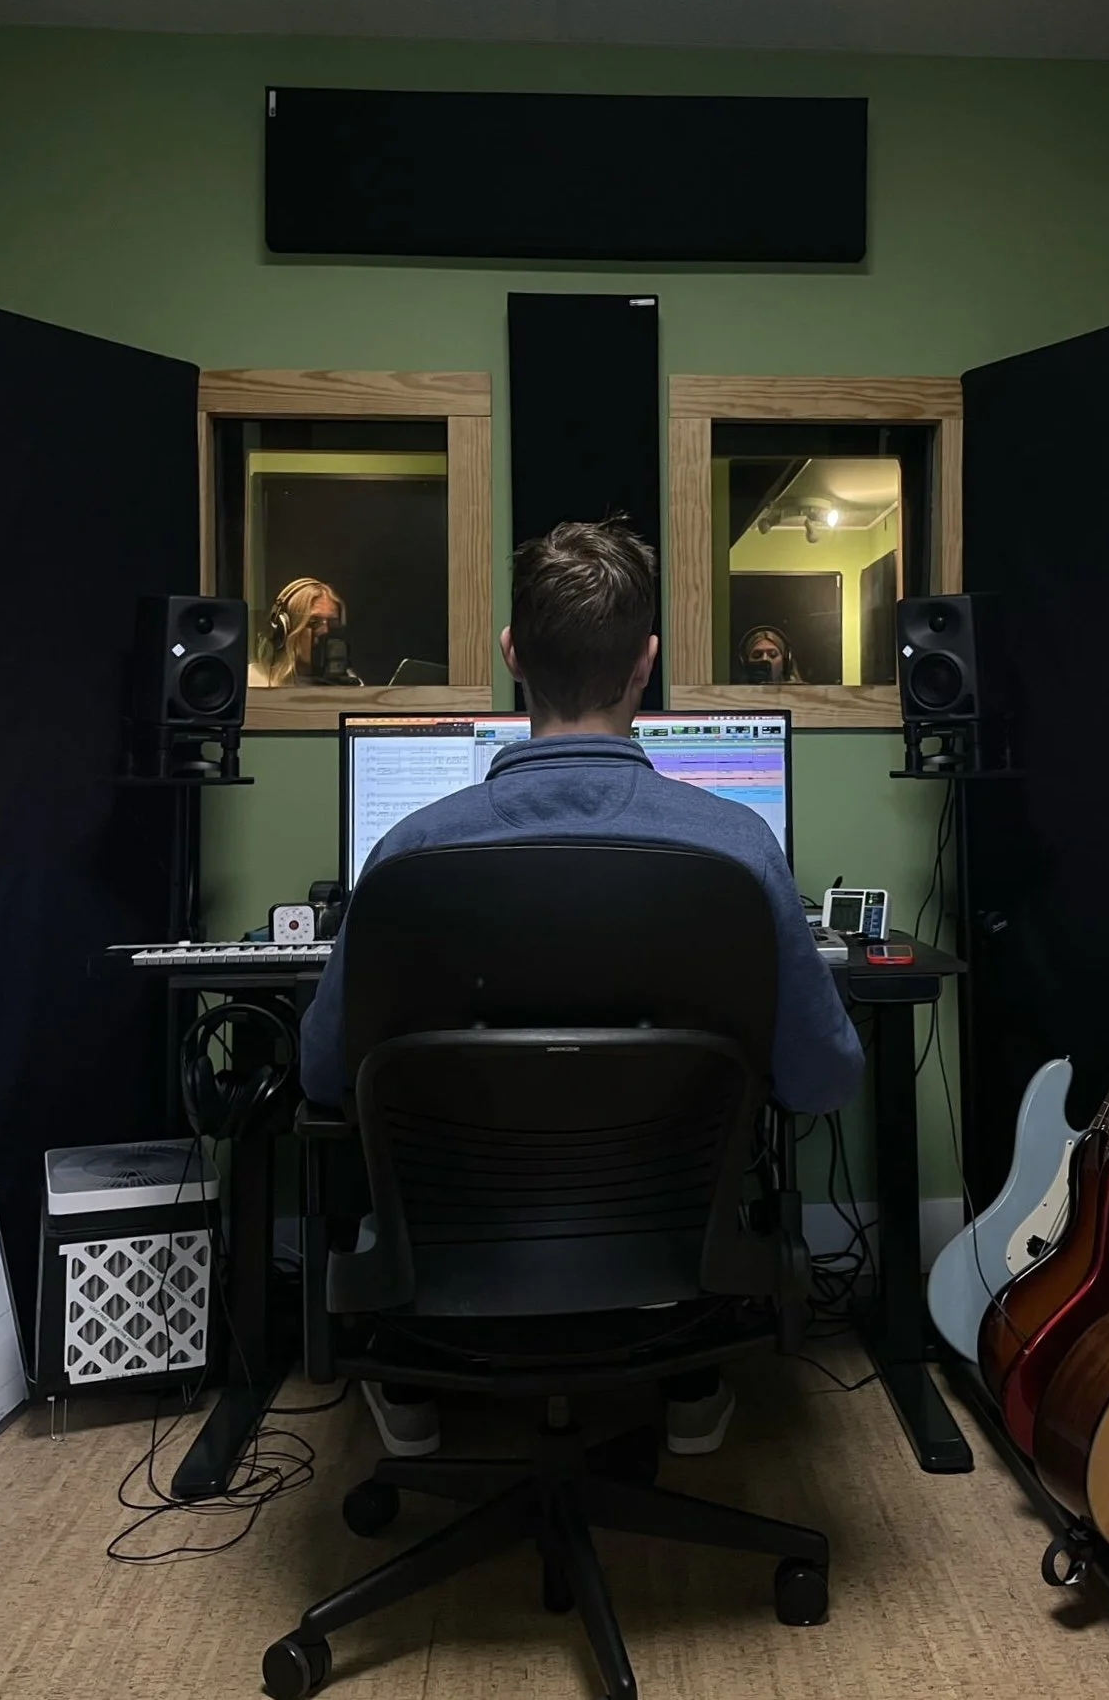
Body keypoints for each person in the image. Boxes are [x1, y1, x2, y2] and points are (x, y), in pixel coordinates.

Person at [302, 519, 865, 1461]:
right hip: (670, 1258)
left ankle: (410, 1385)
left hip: (450, 1261)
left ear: (511, 655)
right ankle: (690, 1379)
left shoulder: (407, 854)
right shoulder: (737, 848)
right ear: (646, 661)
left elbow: (324, 1076)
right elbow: (823, 1082)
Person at [248, 577, 359, 687]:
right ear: (285, 629)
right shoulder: (253, 680)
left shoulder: (350, 684)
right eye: (314, 621)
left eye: (332, 623)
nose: (325, 631)